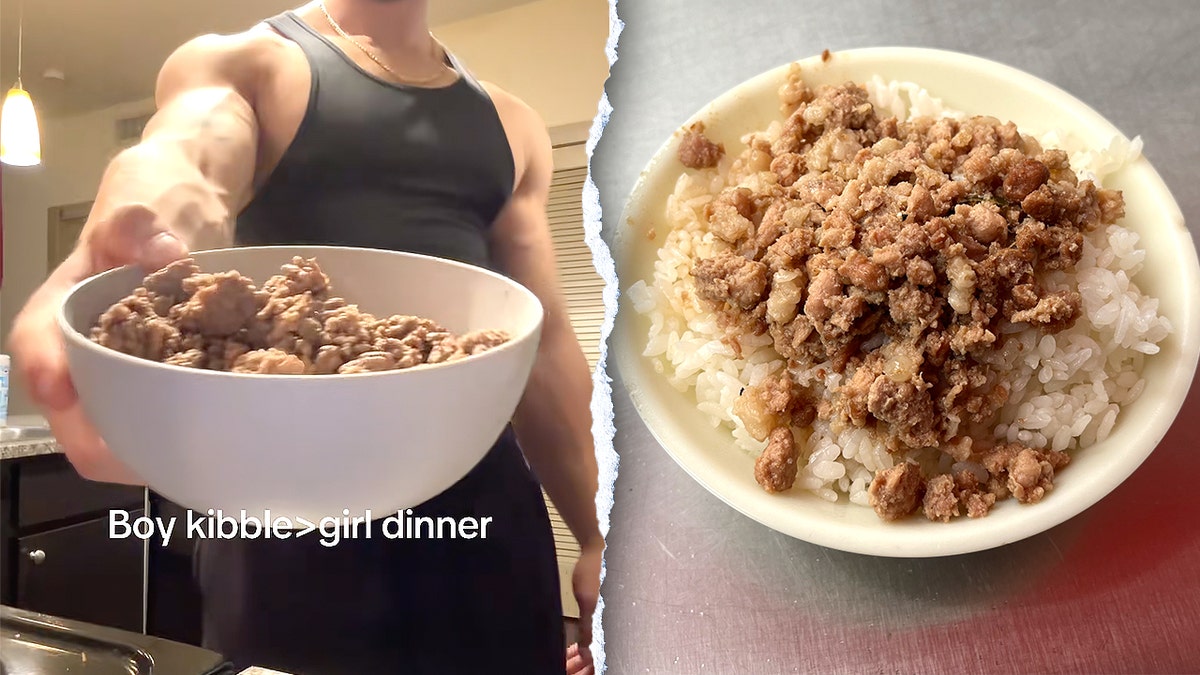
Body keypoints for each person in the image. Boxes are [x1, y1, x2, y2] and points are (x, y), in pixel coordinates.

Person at [6, 1, 603, 673]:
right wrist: (142, 222)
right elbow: (188, 157)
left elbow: (544, 344)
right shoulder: (250, 64)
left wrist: (596, 531)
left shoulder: (512, 125)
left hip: (482, 520)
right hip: (285, 530)